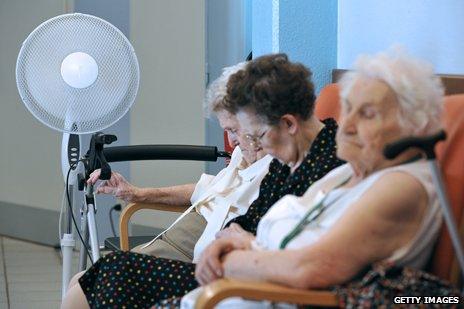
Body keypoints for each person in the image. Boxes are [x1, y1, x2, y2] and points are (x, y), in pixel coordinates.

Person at [61, 54, 343, 308]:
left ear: (288, 124)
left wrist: (240, 246)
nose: (252, 146)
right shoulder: (289, 158)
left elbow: (297, 253)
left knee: (114, 273)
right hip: (228, 265)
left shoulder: (327, 168)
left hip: (245, 280)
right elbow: (250, 218)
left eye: (255, 136)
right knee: (103, 275)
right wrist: (229, 240)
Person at [182, 48, 446, 308]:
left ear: (414, 123)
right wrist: (243, 244)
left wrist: (226, 259)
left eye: (367, 114)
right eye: (348, 109)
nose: (348, 125)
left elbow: (308, 268)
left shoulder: (401, 184)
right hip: (242, 292)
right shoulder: (347, 175)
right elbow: (287, 244)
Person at [87, 61, 273, 263]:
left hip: (199, 253)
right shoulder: (243, 153)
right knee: (85, 280)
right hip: (176, 237)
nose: (230, 141)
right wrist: (135, 193)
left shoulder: (276, 170)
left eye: (233, 130)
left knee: (98, 277)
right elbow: (208, 189)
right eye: (227, 131)